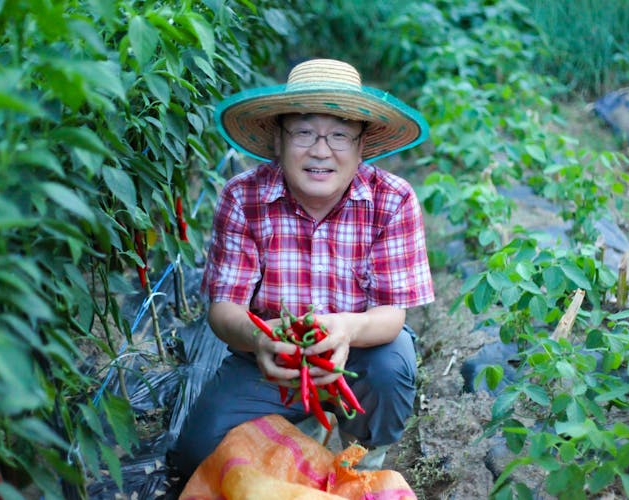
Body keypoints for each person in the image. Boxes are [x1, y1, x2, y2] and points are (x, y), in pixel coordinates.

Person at [169, 58, 434, 481]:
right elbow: (224, 310)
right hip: (269, 359)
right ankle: (301, 420)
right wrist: (261, 339)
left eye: (340, 135)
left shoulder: (393, 200)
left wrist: (344, 329)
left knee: (392, 364)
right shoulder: (243, 197)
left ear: (361, 145)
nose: (321, 150)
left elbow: (391, 315)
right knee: (195, 459)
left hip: (358, 355)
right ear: (278, 140)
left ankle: (363, 460)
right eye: (304, 132)